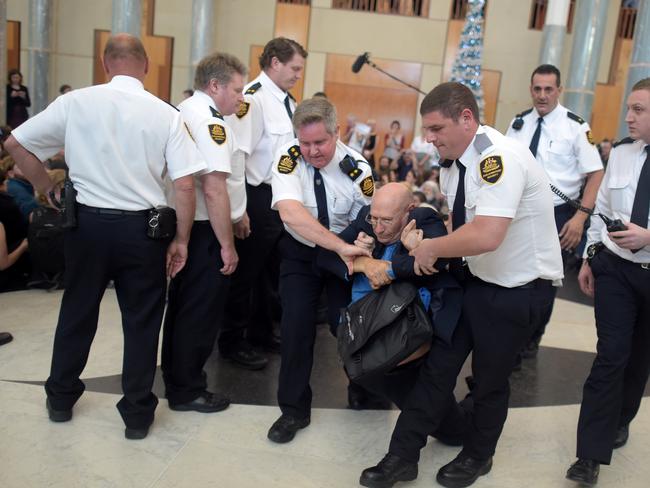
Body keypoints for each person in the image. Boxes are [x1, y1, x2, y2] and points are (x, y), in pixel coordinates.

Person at [359, 82, 563, 488]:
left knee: (488, 379)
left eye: (436, 129)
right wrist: (424, 239)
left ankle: (477, 455)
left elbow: (487, 234)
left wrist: (430, 248)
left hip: (517, 288)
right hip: (477, 277)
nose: (429, 138)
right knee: (437, 371)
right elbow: (462, 226)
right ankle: (401, 457)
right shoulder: (454, 162)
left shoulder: (497, 158)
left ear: (466, 119)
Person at [4, 33, 205, 440]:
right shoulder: (166, 113)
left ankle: (60, 399)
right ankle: (136, 416)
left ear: (105, 62)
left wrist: (47, 188)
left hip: (86, 227)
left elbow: (15, 143)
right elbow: (184, 186)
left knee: (77, 311)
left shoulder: (76, 101)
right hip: (142, 232)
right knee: (142, 322)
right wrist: (181, 240)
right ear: (146, 66)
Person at [267, 96, 373, 444]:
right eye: (305, 142)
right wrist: (337, 244)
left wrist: (350, 247)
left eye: (320, 142)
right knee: (295, 328)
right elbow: (290, 213)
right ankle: (293, 411)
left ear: (337, 132)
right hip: (300, 254)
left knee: (348, 326)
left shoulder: (358, 168)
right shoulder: (288, 158)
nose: (311, 151)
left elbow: (368, 221)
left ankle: (362, 387)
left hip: (343, 258)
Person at [566, 78, 650, 486]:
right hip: (615, 269)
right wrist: (589, 257)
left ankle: (622, 419)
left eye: (639, 110)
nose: (629, 117)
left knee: (639, 360)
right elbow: (600, 209)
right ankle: (589, 455)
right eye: (629, 108)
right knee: (610, 357)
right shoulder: (620, 153)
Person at [161, 52, 248, 414]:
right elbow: (213, 188)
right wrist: (227, 245)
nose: (242, 98)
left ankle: (178, 382)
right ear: (215, 86)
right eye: (237, 90)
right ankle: (187, 390)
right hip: (203, 229)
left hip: (186, 225)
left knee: (183, 309)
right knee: (199, 313)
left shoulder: (185, 110)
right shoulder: (212, 122)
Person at [219, 37, 307, 369]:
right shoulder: (252, 100)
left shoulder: (287, 101)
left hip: (279, 197)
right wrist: (239, 210)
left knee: (270, 273)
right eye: (294, 68)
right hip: (256, 196)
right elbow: (238, 156)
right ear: (274, 62)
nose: (298, 74)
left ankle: (260, 332)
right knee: (245, 274)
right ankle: (232, 340)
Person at [506, 64, 603, 359]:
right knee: (514, 276)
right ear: (531, 89)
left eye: (549, 89)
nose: (542, 95)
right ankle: (512, 337)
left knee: (544, 284)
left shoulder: (575, 126)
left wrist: (580, 218)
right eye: (537, 89)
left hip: (558, 215)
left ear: (559, 90)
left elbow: (596, 173)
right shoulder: (519, 123)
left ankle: (530, 341)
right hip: (518, 212)